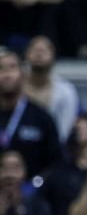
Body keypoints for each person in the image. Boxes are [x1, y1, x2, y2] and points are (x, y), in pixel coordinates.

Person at [0, 48, 62, 179]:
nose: (6, 74)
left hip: (32, 193)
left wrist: (35, 188)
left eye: (12, 67)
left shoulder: (41, 117)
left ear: (23, 75)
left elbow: (55, 164)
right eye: (1, 68)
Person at [22, 35, 78, 142]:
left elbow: (64, 129)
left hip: (50, 147)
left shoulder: (66, 91)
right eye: (35, 50)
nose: (39, 54)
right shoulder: (14, 86)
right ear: (26, 55)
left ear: (53, 56)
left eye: (44, 50)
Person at [0, 149, 51, 215]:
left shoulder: (39, 207)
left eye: (15, 168)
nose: (10, 175)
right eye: (4, 168)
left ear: (24, 172)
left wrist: (20, 212)